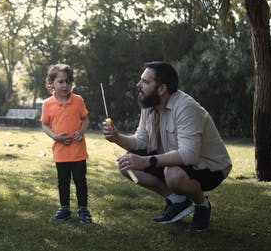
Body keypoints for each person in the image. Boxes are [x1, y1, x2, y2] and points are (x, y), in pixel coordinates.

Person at [103, 61, 232, 231]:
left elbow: (189, 155)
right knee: (127, 164)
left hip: (210, 167)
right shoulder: (149, 105)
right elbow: (141, 141)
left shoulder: (186, 107)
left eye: (145, 82)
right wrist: (117, 137)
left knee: (173, 174)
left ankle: (202, 206)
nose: (138, 85)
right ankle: (177, 201)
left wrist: (145, 161)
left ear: (162, 89)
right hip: (173, 162)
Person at [41, 63, 93, 224]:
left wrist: (81, 131)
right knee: (63, 182)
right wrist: (56, 137)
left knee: (80, 181)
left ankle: (83, 209)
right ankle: (64, 208)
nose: (65, 85)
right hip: (61, 152)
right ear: (52, 84)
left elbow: (85, 120)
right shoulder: (47, 104)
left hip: (78, 151)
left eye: (68, 81)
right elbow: (45, 125)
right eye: (61, 81)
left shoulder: (78, 100)